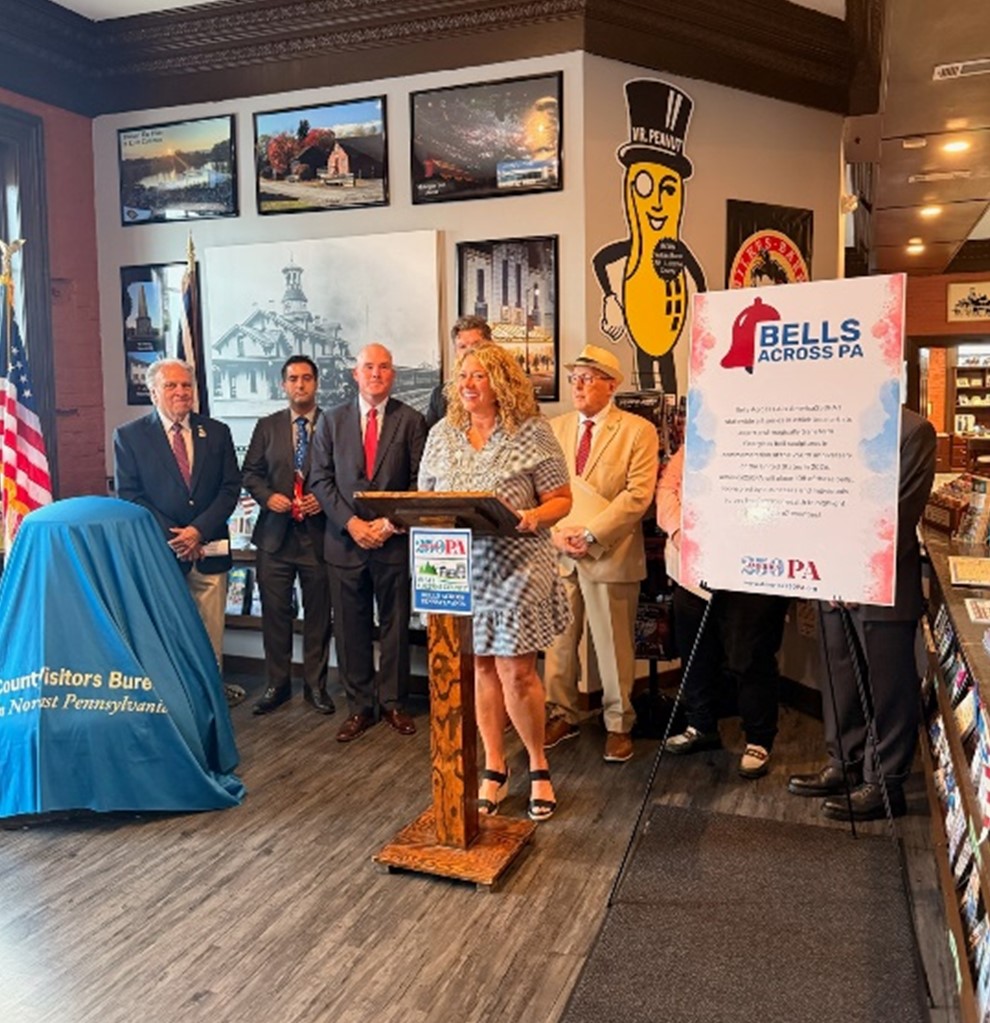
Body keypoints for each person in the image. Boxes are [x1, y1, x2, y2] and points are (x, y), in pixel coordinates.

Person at [419, 343, 572, 822]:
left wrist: (533, 516)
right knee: (481, 668)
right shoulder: (442, 434)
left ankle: (539, 766)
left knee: (516, 671)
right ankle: (495, 766)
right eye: (462, 376)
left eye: (478, 375)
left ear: (501, 382)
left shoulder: (532, 432)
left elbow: (561, 499)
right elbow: (425, 497)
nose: (467, 384)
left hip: (516, 566)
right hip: (459, 570)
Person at [788, 407, 936, 819]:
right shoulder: (831, 420)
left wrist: (856, 572)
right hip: (830, 578)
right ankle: (845, 763)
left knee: (888, 687)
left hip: (881, 584)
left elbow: (900, 515)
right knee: (839, 677)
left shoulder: (914, 431)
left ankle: (885, 784)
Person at [543, 344, 659, 763]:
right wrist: (556, 535)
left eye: (588, 378)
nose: (578, 385)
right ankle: (561, 713)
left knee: (613, 646)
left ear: (612, 385)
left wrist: (591, 534)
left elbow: (638, 495)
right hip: (560, 554)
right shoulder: (554, 429)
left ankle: (618, 724)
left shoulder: (638, 431)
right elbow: (540, 489)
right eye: (574, 378)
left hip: (611, 554)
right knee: (558, 645)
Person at [308, 343, 427, 743]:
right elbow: (320, 479)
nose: (376, 373)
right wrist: (353, 523)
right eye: (369, 367)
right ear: (355, 374)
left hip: (393, 542)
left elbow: (419, 481)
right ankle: (359, 706)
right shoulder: (331, 420)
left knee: (395, 626)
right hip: (345, 542)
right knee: (349, 628)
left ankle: (393, 703)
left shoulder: (411, 420)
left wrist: (390, 524)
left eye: (384, 367)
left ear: (393, 374)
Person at [113, 358, 244, 706]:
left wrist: (198, 530)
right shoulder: (129, 436)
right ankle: (175, 700)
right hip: (161, 554)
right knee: (166, 630)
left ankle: (210, 696)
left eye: (186, 385)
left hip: (209, 550)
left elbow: (230, 488)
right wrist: (177, 538)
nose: (181, 392)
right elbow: (131, 496)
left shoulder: (217, 432)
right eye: (171, 385)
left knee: (210, 631)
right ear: (153, 392)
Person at [657, 444, 789, 778]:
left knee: (751, 657)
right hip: (691, 570)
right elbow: (668, 488)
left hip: (752, 572)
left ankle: (758, 738)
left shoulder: (772, 443)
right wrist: (679, 531)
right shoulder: (697, 440)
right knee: (695, 652)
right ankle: (701, 724)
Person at [242, 355, 334, 717]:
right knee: (275, 615)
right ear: (283, 385)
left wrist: (324, 500)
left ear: (316, 383)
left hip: (319, 537)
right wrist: (268, 498)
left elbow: (344, 474)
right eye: (293, 378)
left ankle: (316, 686)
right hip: (275, 538)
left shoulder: (333, 423)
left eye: (307, 378)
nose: (300, 384)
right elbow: (250, 473)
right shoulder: (267, 426)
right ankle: (277, 685)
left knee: (318, 616)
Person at [424, 315, 492, 428]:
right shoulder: (441, 395)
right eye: (462, 347)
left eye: (477, 345)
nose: (469, 351)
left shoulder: (511, 391)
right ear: (456, 352)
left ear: (491, 347)